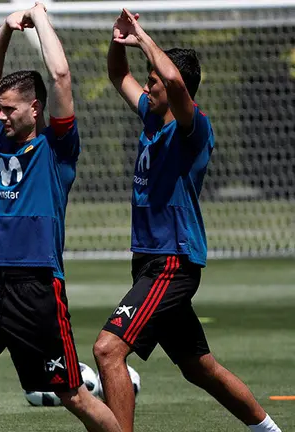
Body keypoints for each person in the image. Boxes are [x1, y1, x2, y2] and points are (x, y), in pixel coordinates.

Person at [0, 4, 122, 432]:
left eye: (11, 109)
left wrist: (40, 18)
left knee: (72, 394)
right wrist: (5, 28)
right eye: (1, 108)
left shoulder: (58, 147)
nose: (2, 115)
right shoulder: (5, 137)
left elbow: (61, 77)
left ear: (35, 109)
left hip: (38, 287)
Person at [92, 10, 282, 432]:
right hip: (149, 261)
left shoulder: (191, 128)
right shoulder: (150, 116)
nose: (147, 86)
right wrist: (118, 39)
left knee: (107, 350)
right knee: (199, 367)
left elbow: (175, 82)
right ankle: (269, 430)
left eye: (152, 81)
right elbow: (116, 72)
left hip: (172, 261)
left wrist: (141, 34)